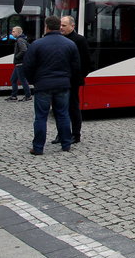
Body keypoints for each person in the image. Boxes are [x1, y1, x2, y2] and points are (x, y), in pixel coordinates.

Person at [21, 15, 79, 155]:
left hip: (43, 85)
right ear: (59, 26)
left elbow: (27, 66)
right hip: (63, 85)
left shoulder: (37, 44)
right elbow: (76, 67)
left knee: (41, 117)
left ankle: (38, 147)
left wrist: (34, 80)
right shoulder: (70, 44)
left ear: (46, 27)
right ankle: (66, 144)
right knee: (63, 114)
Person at [53, 15, 90, 144]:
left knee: (73, 108)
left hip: (72, 81)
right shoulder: (57, 39)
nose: (61, 28)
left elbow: (86, 62)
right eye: (60, 25)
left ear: (72, 26)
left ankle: (75, 134)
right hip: (59, 80)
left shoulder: (80, 40)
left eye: (64, 25)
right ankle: (61, 133)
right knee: (59, 108)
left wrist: (78, 77)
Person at [5, 26, 31, 101]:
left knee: (22, 79)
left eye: (13, 31)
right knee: (13, 79)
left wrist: (17, 57)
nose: (12, 33)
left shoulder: (20, 40)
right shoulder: (21, 39)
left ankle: (28, 95)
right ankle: (14, 95)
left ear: (18, 32)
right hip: (19, 63)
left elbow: (24, 50)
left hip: (20, 63)